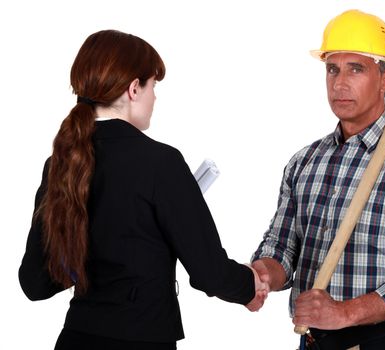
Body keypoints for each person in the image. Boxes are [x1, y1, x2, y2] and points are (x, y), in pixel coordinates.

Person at [19, 29, 268, 350]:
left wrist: (86, 259)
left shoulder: (59, 163)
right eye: (153, 85)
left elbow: (34, 283)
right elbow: (209, 273)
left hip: (77, 339)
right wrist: (250, 286)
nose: (155, 97)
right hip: (142, 340)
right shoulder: (161, 162)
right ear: (133, 88)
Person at [251, 9, 385, 350]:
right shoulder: (304, 162)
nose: (339, 83)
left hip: (382, 343)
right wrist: (263, 274)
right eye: (332, 69)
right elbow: (282, 248)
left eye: (356, 68)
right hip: (314, 342)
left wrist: (345, 312)